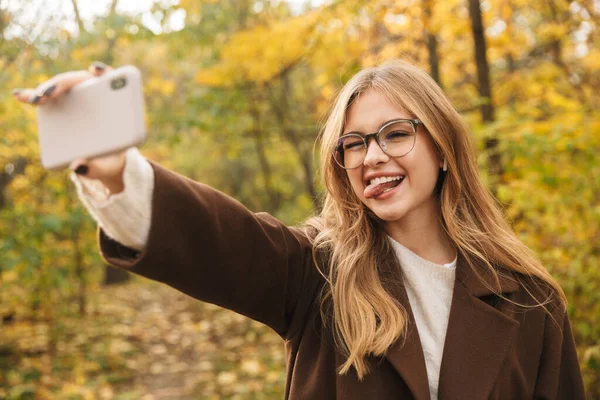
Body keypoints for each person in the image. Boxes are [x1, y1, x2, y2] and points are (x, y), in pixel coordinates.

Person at [13, 60, 586, 399]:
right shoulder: (317, 272)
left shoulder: (531, 303)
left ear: (443, 148)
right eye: (353, 144)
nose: (371, 157)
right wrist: (114, 170)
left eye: (394, 133)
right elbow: (221, 241)